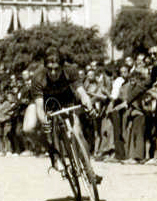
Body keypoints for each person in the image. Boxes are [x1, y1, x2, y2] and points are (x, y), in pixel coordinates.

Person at [25, 47, 101, 183]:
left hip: (65, 99)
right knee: (28, 128)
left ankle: (89, 171)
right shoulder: (38, 77)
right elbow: (39, 107)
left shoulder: (70, 70)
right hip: (44, 101)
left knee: (77, 132)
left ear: (62, 66)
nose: (53, 73)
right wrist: (44, 122)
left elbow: (82, 93)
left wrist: (90, 107)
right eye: (49, 69)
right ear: (45, 67)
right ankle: (52, 152)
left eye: (56, 69)